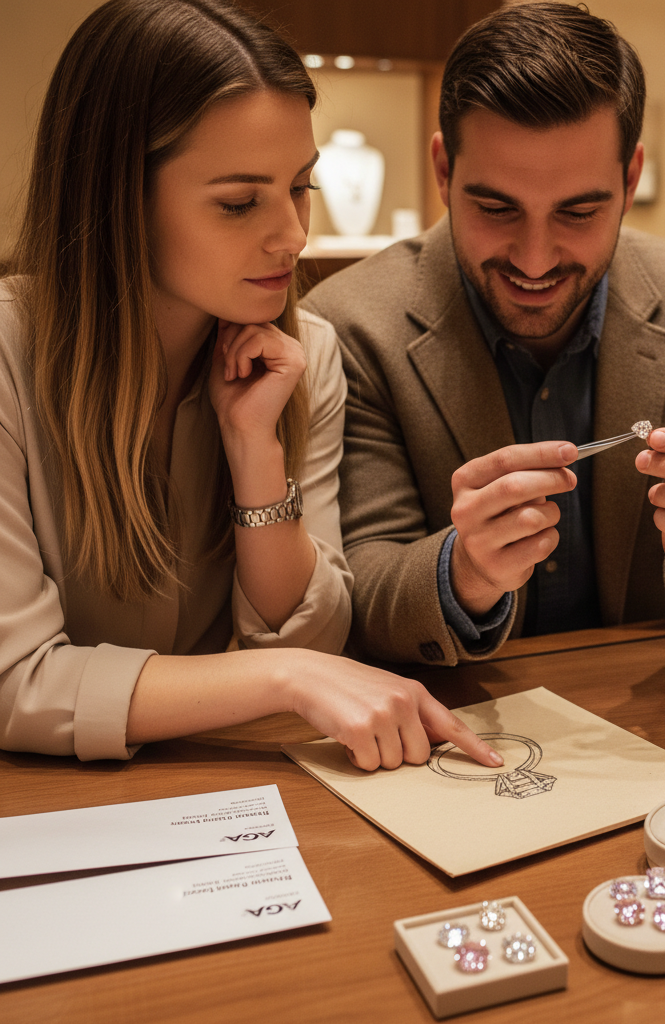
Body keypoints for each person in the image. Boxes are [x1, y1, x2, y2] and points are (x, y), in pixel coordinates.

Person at [0, 0, 500, 772]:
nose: (293, 237)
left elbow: (312, 636)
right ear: (115, 197)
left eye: (301, 188)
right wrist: (283, 678)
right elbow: (16, 681)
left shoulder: (307, 355)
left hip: (192, 787)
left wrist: (254, 450)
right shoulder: (8, 354)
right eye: (239, 203)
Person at [302, 1, 665, 666]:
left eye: (578, 212)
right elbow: (357, 588)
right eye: (496, 208)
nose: (535, 258)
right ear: (443, 171)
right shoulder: (349, 324)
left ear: (630, 179)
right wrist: (463, 572)